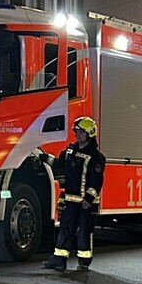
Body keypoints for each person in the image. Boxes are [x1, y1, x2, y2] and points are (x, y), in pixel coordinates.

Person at [38, 116, 106, 271]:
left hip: (85, 203)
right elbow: (59, 165)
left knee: (84, 231)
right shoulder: (70, 151)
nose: (77, 135)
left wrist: (89, 198)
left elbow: (96, 181)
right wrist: (45, 158)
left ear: (89, 133)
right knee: (65, 230)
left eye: (81, 132)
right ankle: (59, 259)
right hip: (70, 200)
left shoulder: (96, 157)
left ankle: (84, 261)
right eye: (76, 131)